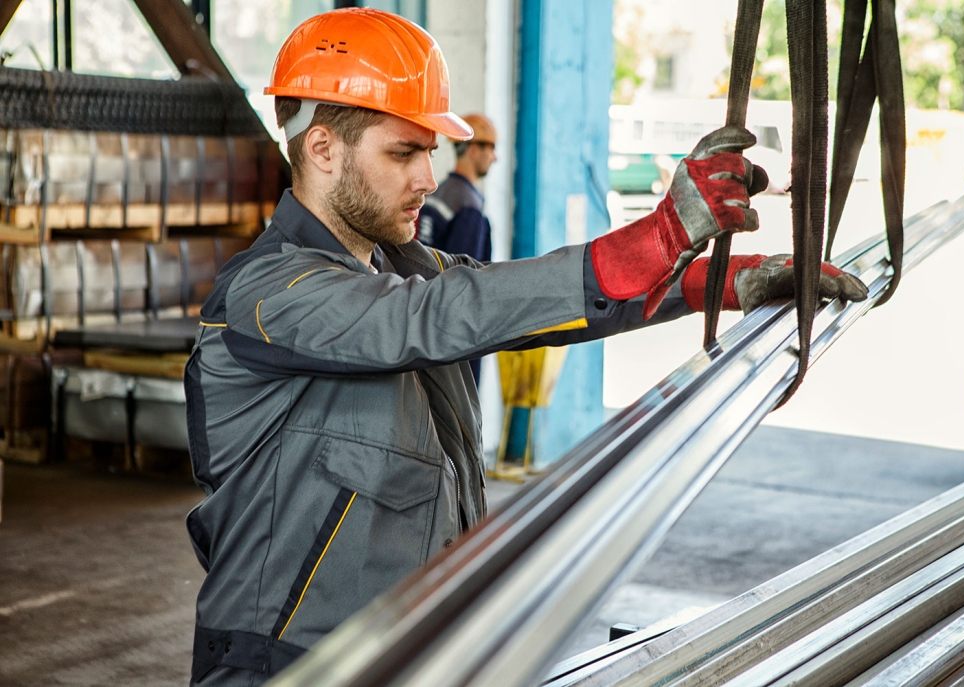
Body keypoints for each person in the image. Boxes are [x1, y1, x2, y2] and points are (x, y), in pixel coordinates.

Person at [183, 8, 868, 685]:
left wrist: (717, 281)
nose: (429, 177)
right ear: (323, 149)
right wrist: (651, 238)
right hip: (279, 667)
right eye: (404, 152)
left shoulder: (405, 269)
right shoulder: (268, 293)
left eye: (431, 150)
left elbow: (535, 307)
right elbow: (428, 317)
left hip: (407, 657)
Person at [417, 113, 497, 384]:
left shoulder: (438, 195)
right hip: (456, 341)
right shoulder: (468, 207)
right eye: (491, 149)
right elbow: (465, 283)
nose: (494, 158)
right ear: (474, 150)